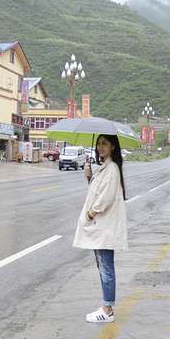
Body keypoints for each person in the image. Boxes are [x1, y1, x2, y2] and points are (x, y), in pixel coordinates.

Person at [73, 134, 128, 323]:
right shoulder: (105, 167)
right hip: (101, 227)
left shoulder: (111, 168)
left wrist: (91, 213)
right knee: (103, 266)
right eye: (98, 144)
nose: (99, 147)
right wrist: (89, 178)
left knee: (106, 268)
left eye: (104, 143)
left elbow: (106, 198)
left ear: (113, 146)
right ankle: (106, 306)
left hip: (104, 227)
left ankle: (107, 310)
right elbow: (99, 191)